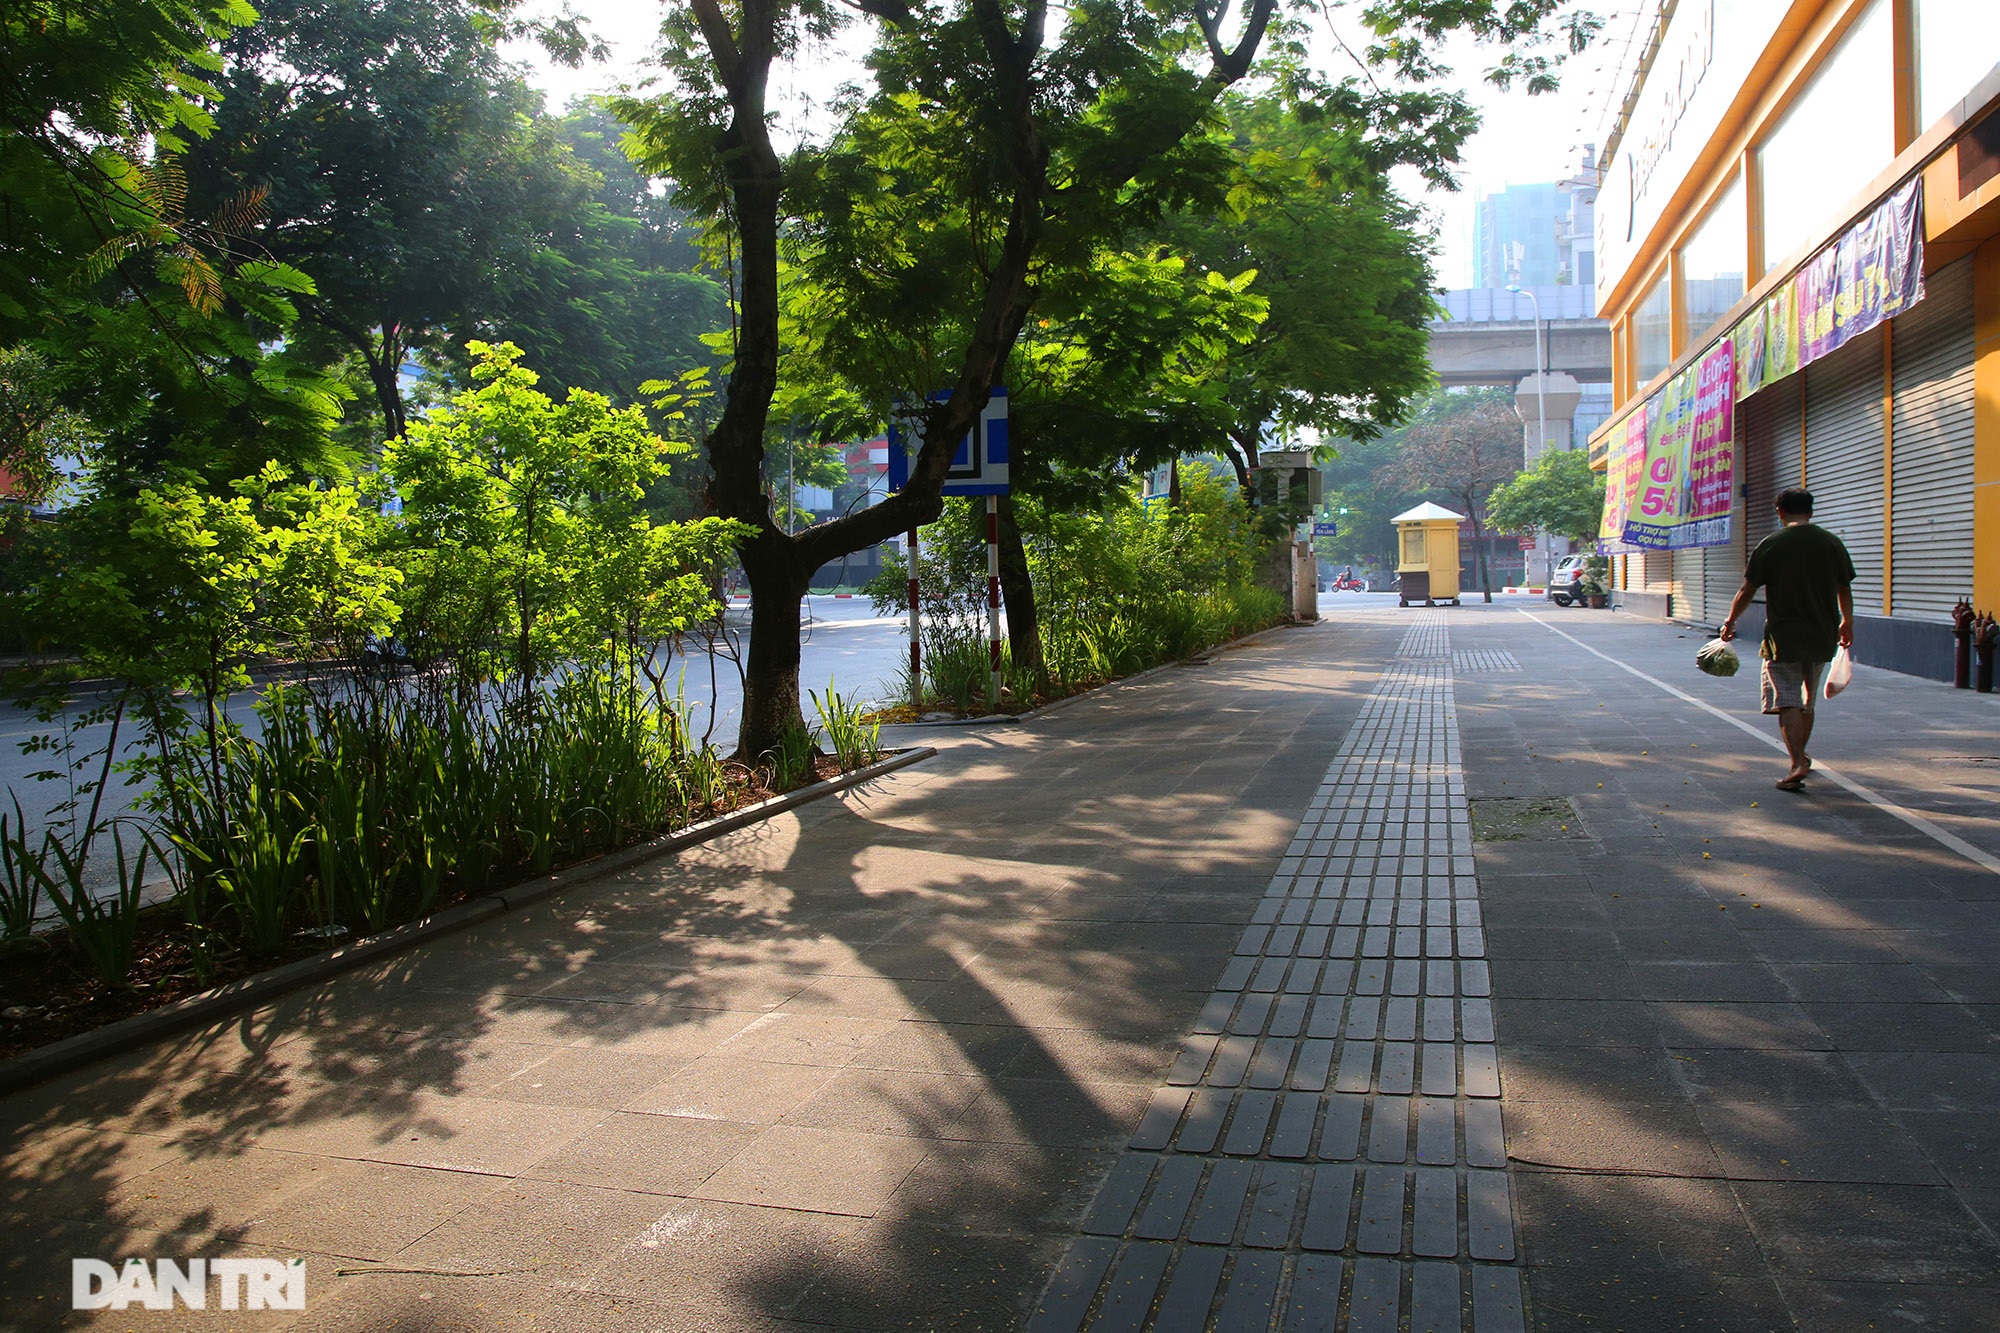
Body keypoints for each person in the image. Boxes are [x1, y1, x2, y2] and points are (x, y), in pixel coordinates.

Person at [1719, 488, 1855, 791]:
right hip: (1822, 633)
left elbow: (1747, 590)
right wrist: (1847, 622)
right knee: (1808, 699)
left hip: (1783, 636)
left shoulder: (1772, 544)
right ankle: (1802, 756)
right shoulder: (1831, 543)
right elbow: (1844, 587)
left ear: (1779, 511)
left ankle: (1796, 763)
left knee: (1787, 701)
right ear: (1811, 511)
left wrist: (1730, 622)